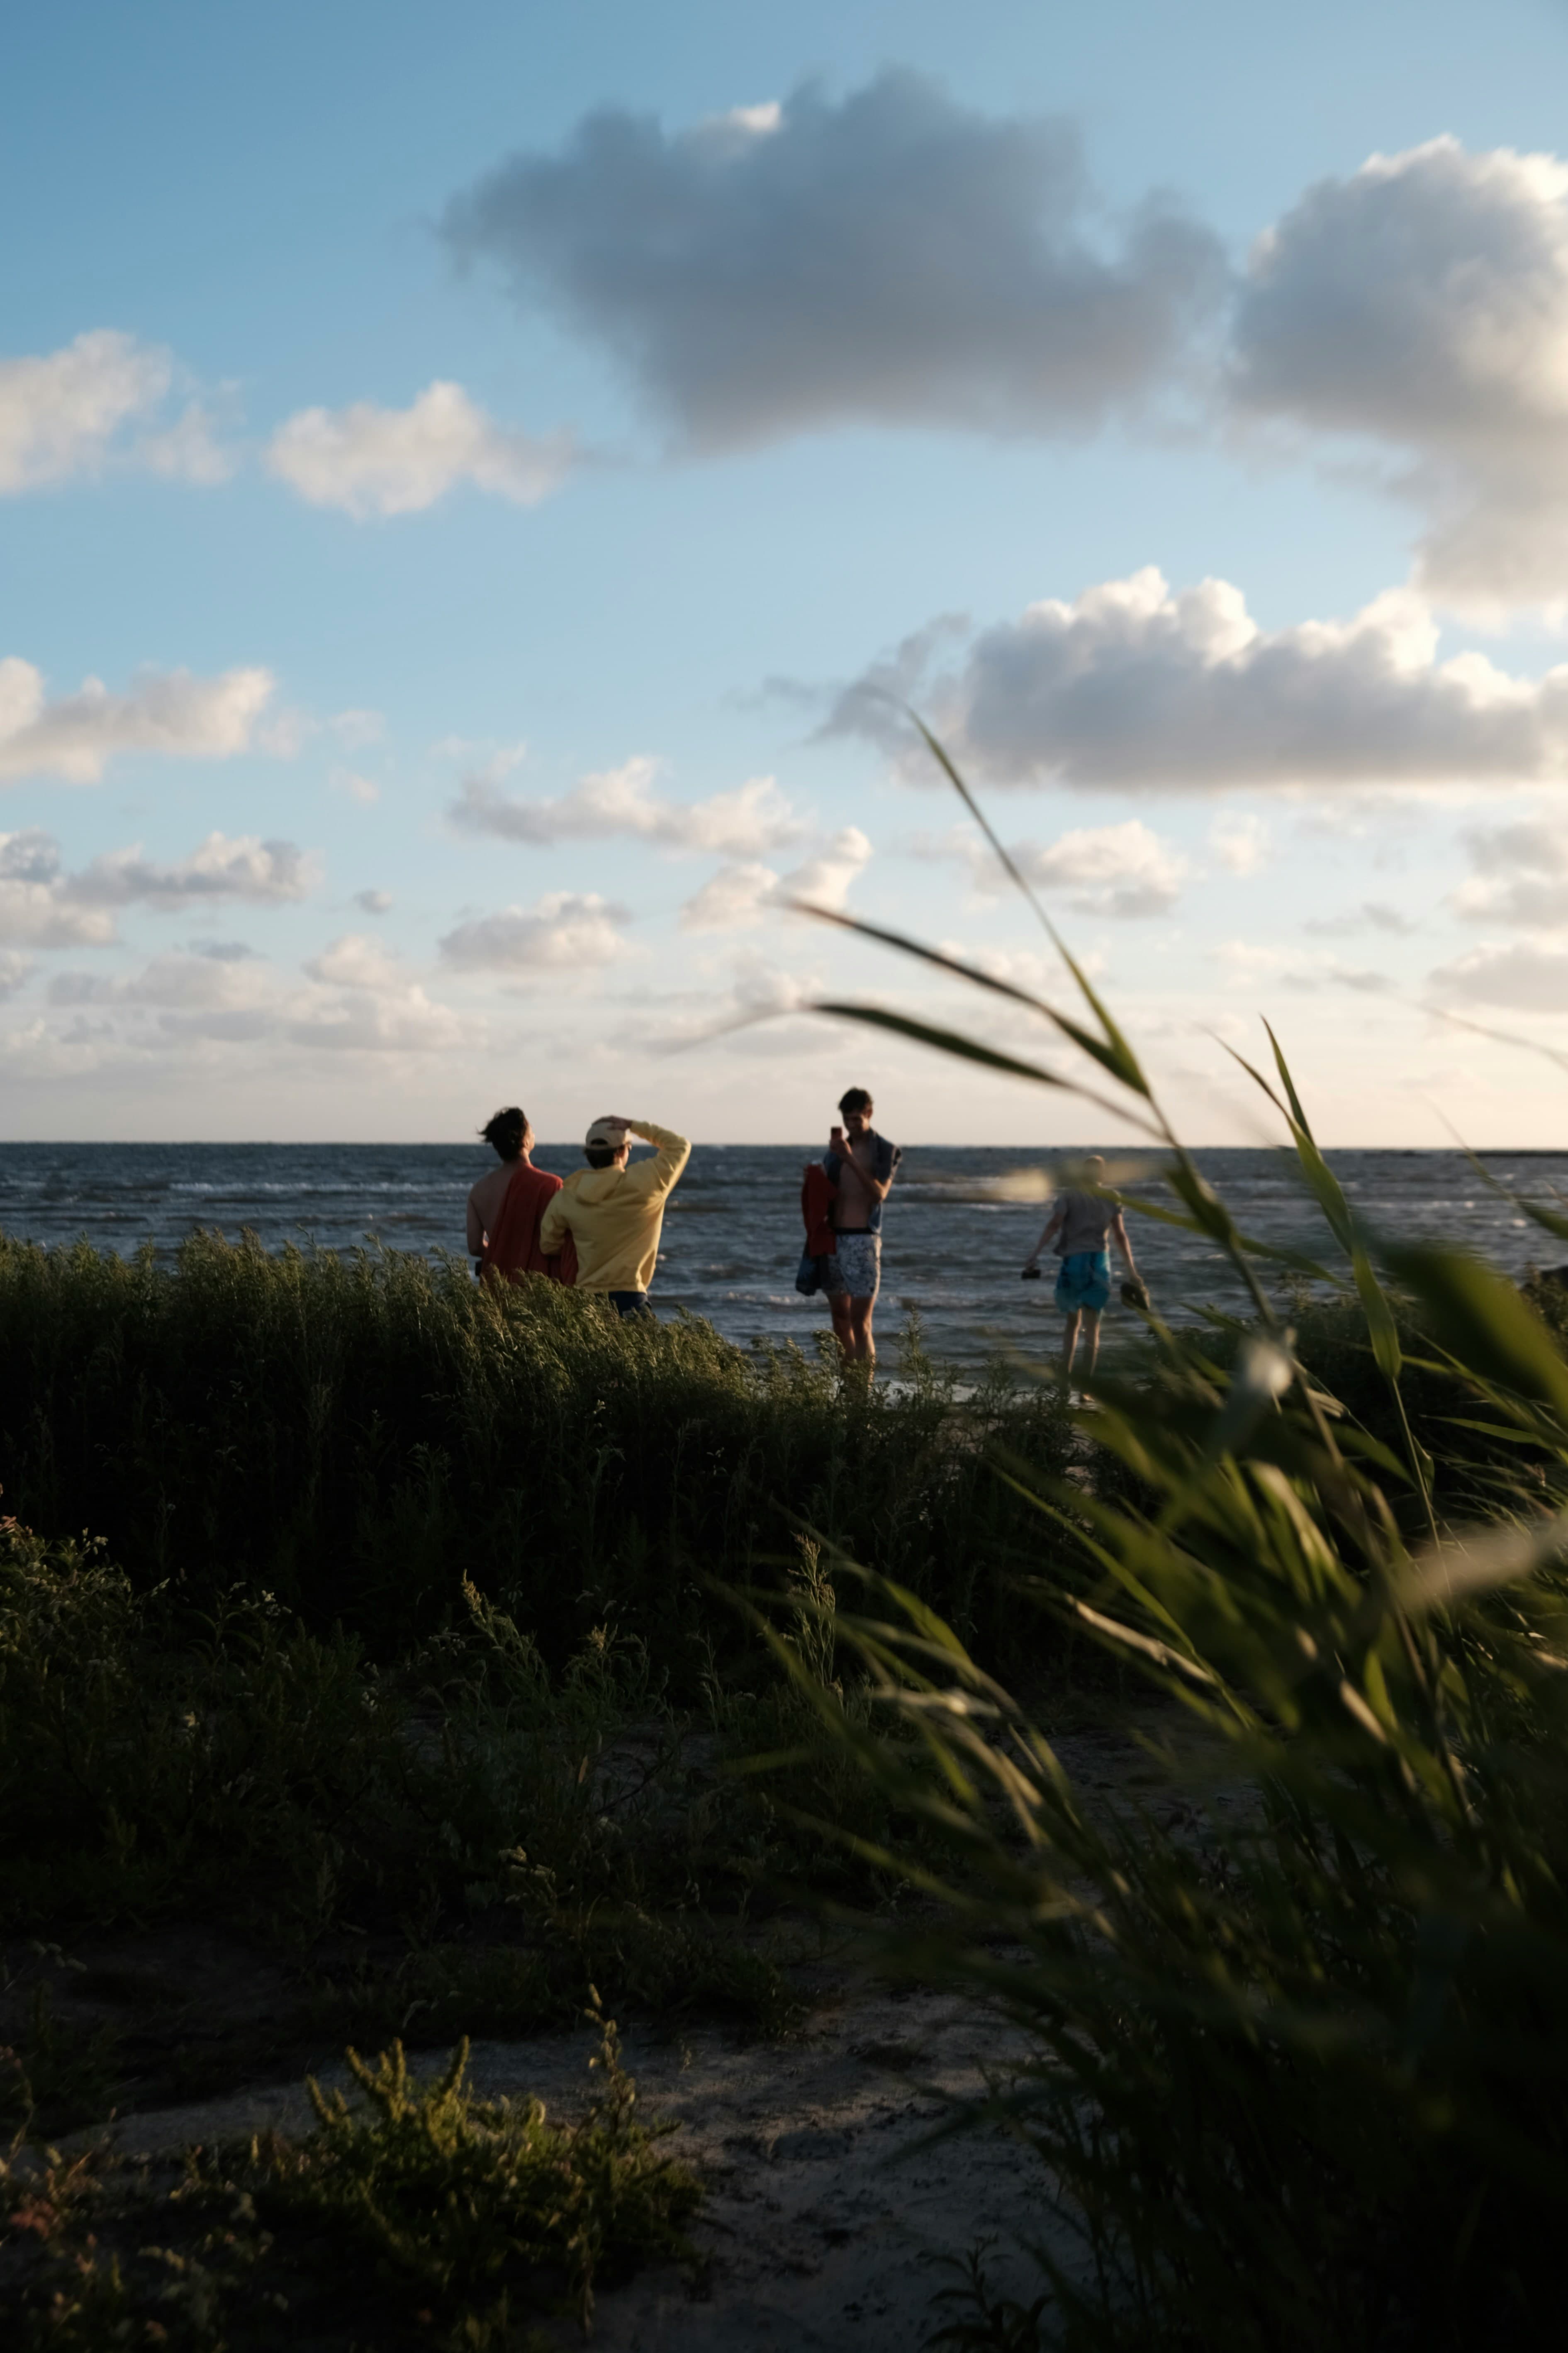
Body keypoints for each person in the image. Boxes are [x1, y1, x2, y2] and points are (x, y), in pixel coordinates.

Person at [539, 1115, 690, 1321]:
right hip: (631, 1299)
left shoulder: (567, 1195)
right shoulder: (645, 1183)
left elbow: (548, 1245)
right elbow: (679, 1146)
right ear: (622, 1151)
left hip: (587, 1302)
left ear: (589, 1154)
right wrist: (632, 1125)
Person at [1023, 1154, 1140, 1382]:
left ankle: (1064, 1382)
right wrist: (1131, 1271)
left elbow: (1055, 1224)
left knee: (1072, 1324)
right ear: (1102, 1174)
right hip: (1099, 1264)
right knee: (1093, 1328)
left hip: (1073, 1264)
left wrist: (1035, 1253)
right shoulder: (1111, 1197)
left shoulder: (1069, 1195)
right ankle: (1087, 1389)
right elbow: (1120, 1235)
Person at [813, 1087, 900, 1373]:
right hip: (832, 1240)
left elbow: (879, 1194)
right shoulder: (836, 1152)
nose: (851, 1125)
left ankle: (866, 1392)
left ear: (869, 1114)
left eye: (855, 1119)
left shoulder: (885, 1150)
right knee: (839, 1319)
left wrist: (849, 1158)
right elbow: (832, 1195)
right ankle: (850, 1383)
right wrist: (817, 1180)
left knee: (860, 1322)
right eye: (846, 1120)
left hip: (862, 1240)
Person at [467, 1107, 575, 1286]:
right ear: (525, 1140)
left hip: (500, 1285)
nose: (534, 1134)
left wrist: (505, 1257)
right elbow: (565, 1243)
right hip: (540, 1286)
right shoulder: (550, 1185)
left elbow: (475, 1246)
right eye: (531, 1130)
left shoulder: (479, 1190)